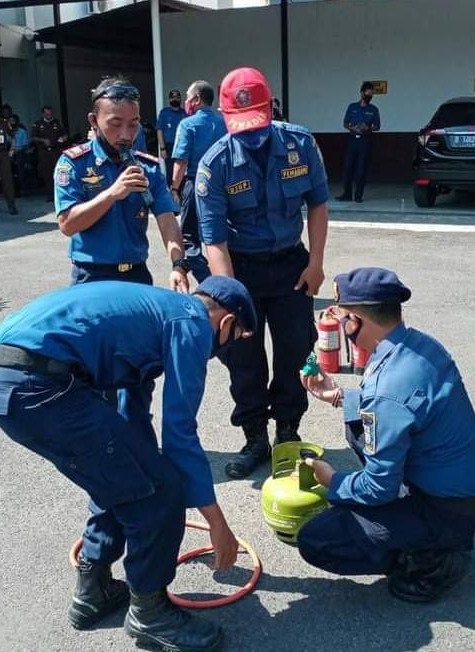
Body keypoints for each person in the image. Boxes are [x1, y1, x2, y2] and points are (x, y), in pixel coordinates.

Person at [0, 276, 257, 651]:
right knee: (161, 492)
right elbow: (180, 434)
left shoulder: (154, 313)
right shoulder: (192, 322)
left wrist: (143, 466)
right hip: (38, 385)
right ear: (227, 322)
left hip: (7, 377)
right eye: (233, 340)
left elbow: (132, 414)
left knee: (126, 475)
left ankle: (94, 591)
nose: (221, 350)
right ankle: (150, 615)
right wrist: (218, 523)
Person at [298, 267, 475, 602]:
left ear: (357, 320)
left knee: (317, 539)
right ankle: (426, 531)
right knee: (358, 429)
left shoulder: (387, 389)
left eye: (341, 315)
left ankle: (431, 561)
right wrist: (337, 396)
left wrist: (333, 481)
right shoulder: (418, 344)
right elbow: (401, 407)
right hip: (474, 483)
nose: (339, 322)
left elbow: (378, 487)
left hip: (448, 507)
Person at [196, 67, 329, 479]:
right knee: (243, 356)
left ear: (270, 108)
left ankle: (288, 431)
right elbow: (213, 240)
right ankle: (255, 436)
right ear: (223, 116)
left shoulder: (300, 144)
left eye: (257, 123)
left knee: (294, 349)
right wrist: (230, 299)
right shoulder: (214, 164)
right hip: (240, 270)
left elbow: (318, 204)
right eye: (241, 127)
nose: (251, 135)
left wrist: (316, 263)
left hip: (291, 265)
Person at [55, 76, 188, 291]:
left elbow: (167, 221)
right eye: (115, 124)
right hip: (91, 277)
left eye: (133, 124)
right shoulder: (74, 164)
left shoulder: (149, 168)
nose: (126, 135)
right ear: (93, 120)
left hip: (137, 275)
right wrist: (112, 194)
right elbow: (67, 224)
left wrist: (178, 265)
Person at [170, 80, 227, 282]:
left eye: (187, 96)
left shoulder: (187, 125)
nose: (185, 100)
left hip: (195, 185)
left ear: (196, 99)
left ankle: (208, 282)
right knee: (219, 235)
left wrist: (174, 188)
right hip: (223, 186)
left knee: (189, 239)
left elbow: (181, 161)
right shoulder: (223, 122)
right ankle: (227, 277)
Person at [337, 82, 380, 203]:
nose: (370, 96)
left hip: (365, 141)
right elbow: (345, 123)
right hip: (352, 140)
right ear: (362, 93)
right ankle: (347, 194)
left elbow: (377, 126)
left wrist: (368, 128)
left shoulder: (373, 109)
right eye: (368, 93)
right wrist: (352, 128)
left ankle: (358, 196)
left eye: (372, 94)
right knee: (347, 168)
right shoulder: (352, 107)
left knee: (361, 170)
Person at [31, 105, 67, 201]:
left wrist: (63, 138)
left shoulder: (57, 122)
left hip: (56, 150)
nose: (49, 116)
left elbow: (64, 134)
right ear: (43, 114)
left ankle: (59, 193)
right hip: (44, 152)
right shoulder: (38, 124)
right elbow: (33, 137)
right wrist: (43, 140)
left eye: (50, 114)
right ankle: (50, 194)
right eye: (47, 114)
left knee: (58, 171)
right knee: (47, 173)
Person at [156, 89, 184, 183]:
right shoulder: (164, 113)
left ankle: (181, 195)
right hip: (169, 147)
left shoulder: (184, 114)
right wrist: (162, 149)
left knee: (182, 171)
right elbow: (160, 131)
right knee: (170, 173)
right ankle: (171, 195)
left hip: (182, 147)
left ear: (180, 99)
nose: (175, 99)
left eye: (177, 97)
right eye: (173, 97)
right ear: (169, 100)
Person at [8, 114, 30, 197]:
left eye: (13, 121)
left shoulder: (22, 131)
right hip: (9, 154)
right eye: (10, 122)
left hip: (20, 153)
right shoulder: (6, 132)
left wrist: (16, 151)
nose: (11, 123)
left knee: (20, 172)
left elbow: (25, 145)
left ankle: (22, 189)